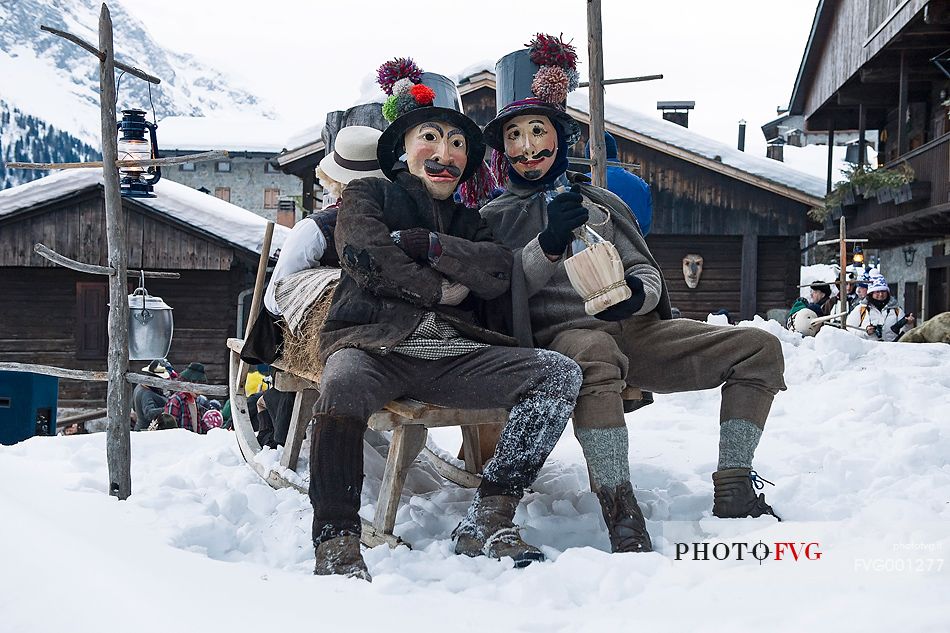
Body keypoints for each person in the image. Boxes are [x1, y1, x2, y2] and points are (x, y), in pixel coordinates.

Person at [480, 35, 787, 554]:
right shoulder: (493, 217)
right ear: (503, 149)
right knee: (594, 353)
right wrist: (547, 244)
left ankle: (735, 484)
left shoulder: (599, 201)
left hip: (636, 332)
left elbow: (644, 267)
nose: (527, 145)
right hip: (563, 340)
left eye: (539, 129)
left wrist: (636, 297)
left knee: (760, 348)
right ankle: (621, 512)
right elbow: (498, 293)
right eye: (514, 135)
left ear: (561, 137)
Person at [308, 59, 582, 581]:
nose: (446, 153)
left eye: (458, 144)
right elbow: (364, 255)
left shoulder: (471, 221)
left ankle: (490, 515)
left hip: (452, 353)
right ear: (403, 151)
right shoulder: (370, 196)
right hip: (373, 345)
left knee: (558, 374)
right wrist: (441, 286)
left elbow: (499, 272)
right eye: (430, 138)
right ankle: (336, 539)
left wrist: (428, 244)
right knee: (340, 385)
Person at [585, 131, 652, 235]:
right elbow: (645, 223)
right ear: (615, 153)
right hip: (634, 245)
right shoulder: (641, 185)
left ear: (590, 156)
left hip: (595, 246)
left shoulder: (583, 182)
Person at [846, 275, 916, 342]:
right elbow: (849, 328)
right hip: (868, 351)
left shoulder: (896, 310)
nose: (881, 294)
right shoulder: (861, 309)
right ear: (871, 293)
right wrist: (865, 331)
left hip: (892, 350)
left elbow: (906, 334)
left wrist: (908, 324)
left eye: (883, 291)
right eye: (877, 291)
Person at [163, 362, 208, 433]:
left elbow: (199, 424)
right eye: (198, 384)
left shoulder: (195, 401)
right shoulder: (175, 401)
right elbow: (169, 431)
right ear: (189, 382)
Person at [132, 359, 169, 431]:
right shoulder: (146, 393)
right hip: (146, 431)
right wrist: (168, 408)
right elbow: (149, 413)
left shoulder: (140, 386)